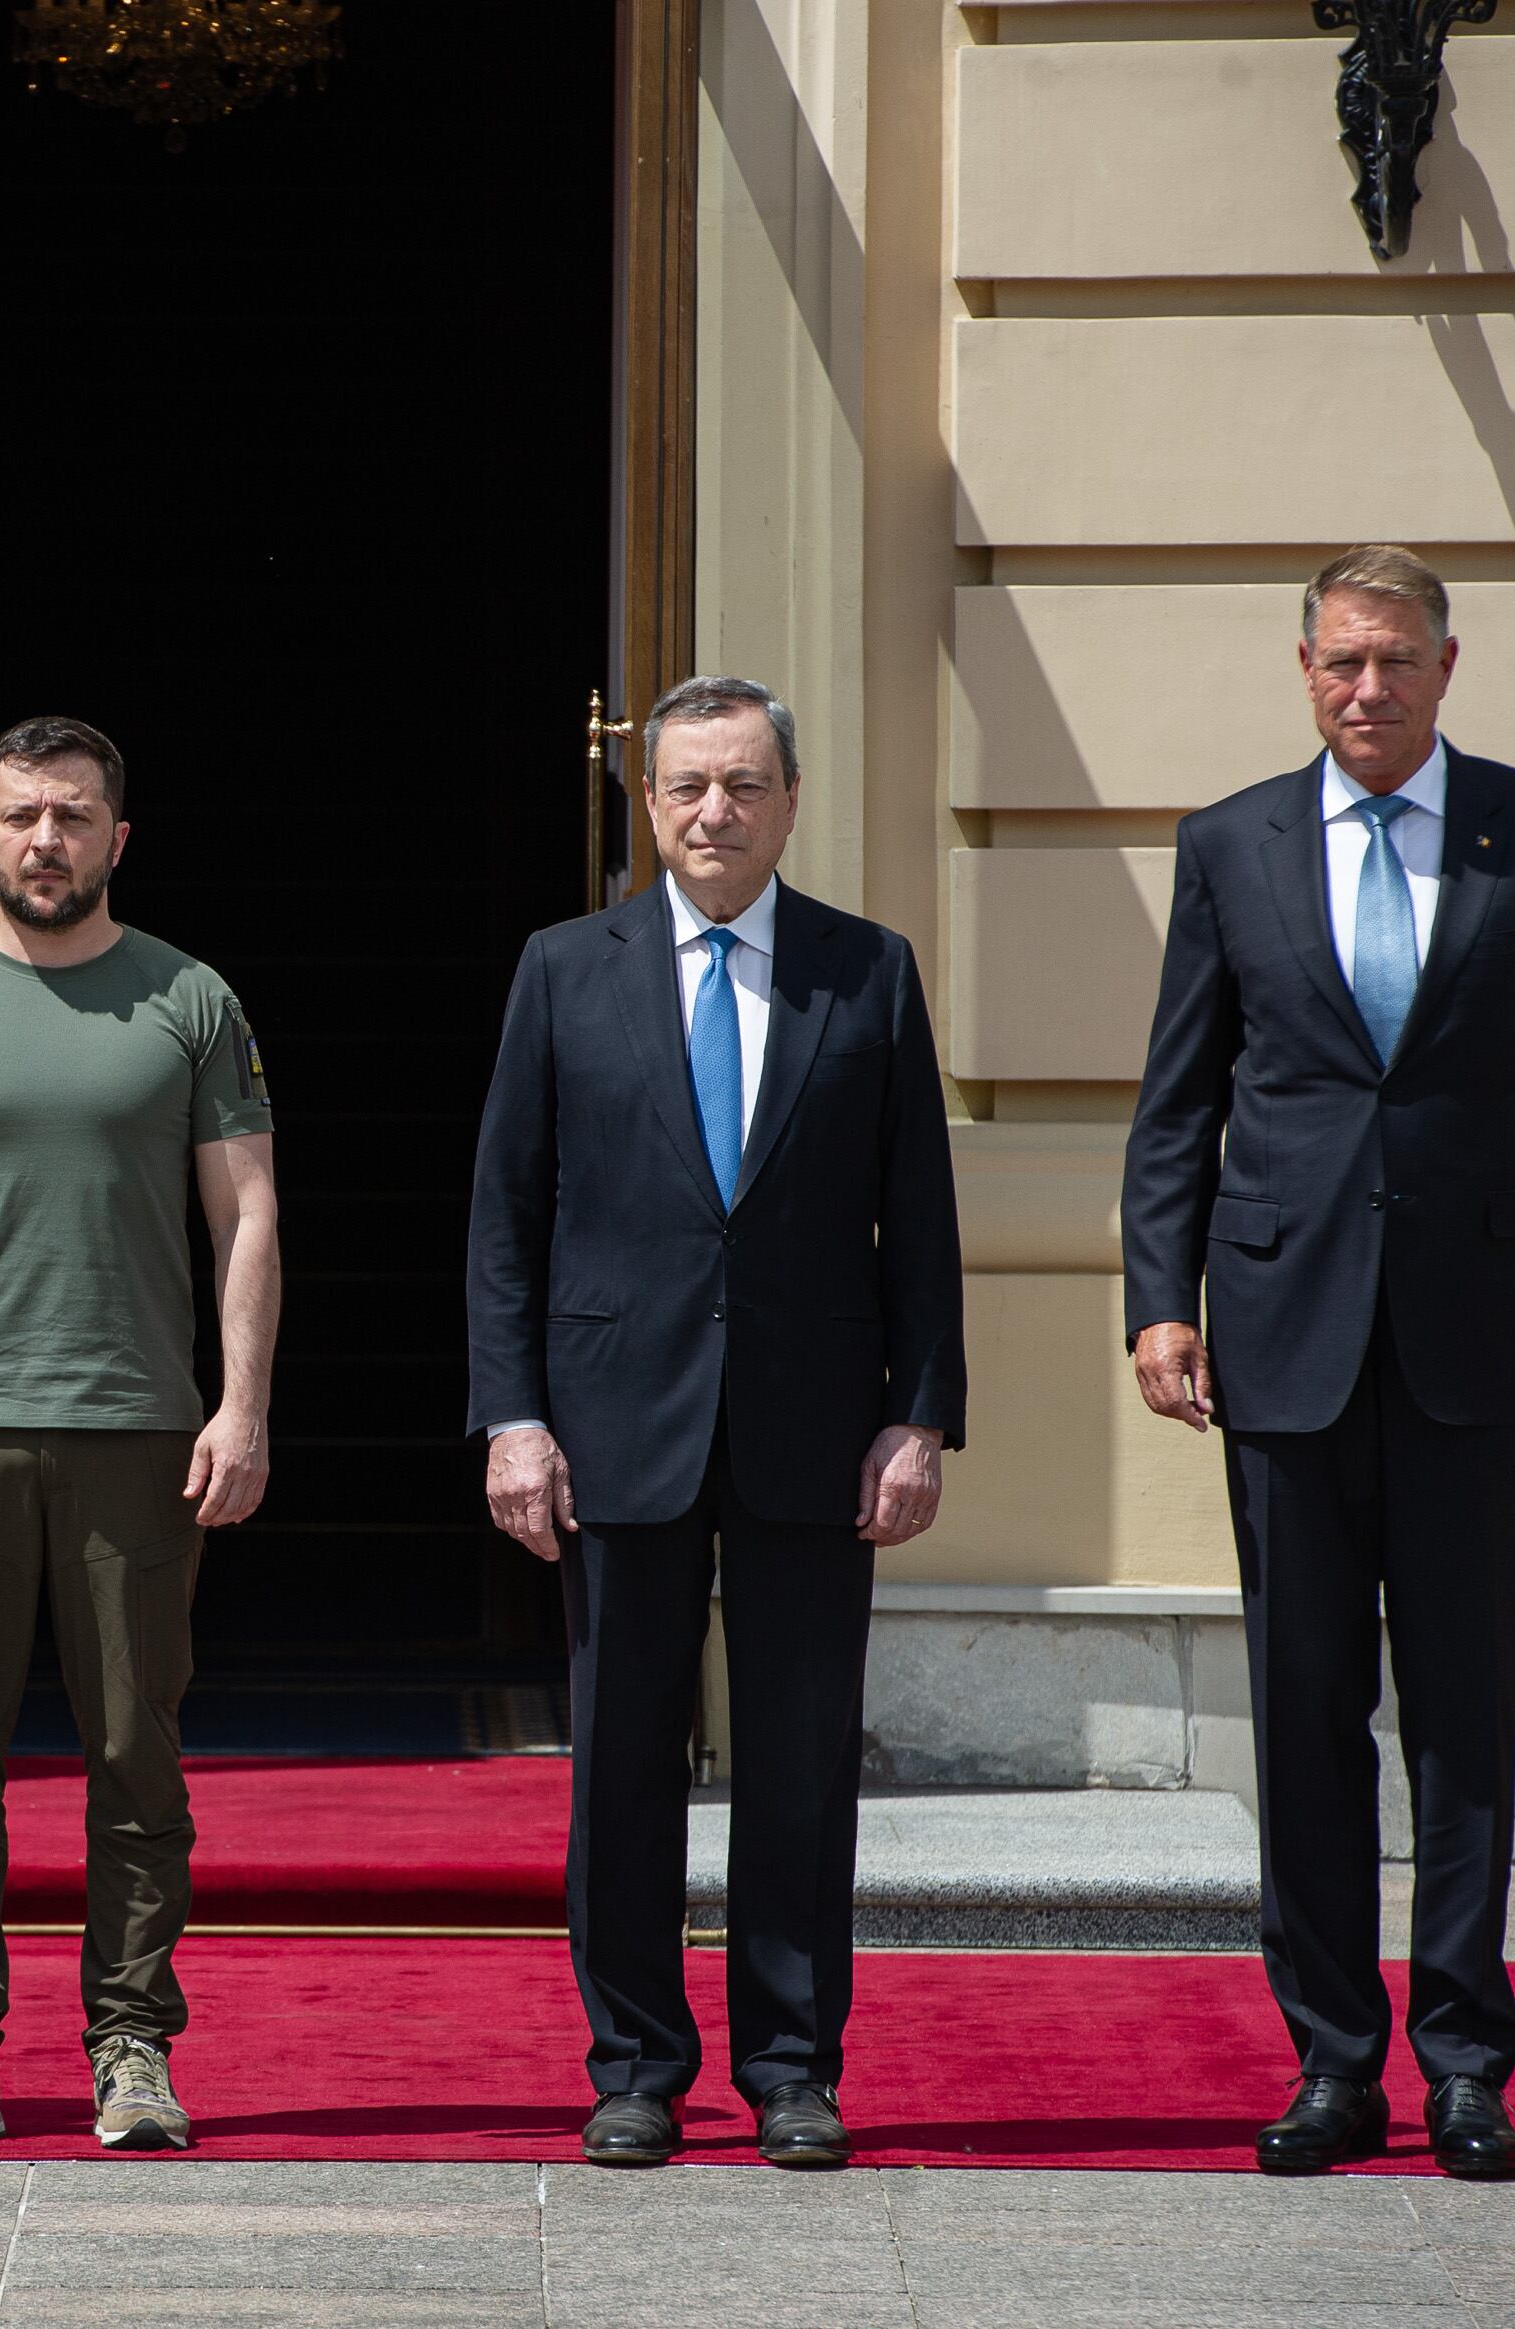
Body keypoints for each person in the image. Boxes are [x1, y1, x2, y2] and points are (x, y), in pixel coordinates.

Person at [1122, 546, 1515, 2181]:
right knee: (1304, 1712)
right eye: (1343, 660)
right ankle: (1333, 2061)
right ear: (1304, 666)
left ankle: (1469, 2066)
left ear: (1447, 664)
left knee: (1465, 1715)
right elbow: (1179, 1101)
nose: (1369, 688)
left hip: (1481, 1341)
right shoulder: (1230, 844)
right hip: (1280, 1341)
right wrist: (1160, 1296)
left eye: (1398, 661)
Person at [467, 675, 963, 2171]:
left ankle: (793, 2067)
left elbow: (920, 1223)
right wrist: (514, 1417)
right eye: (686, 786)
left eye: (743, 784)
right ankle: (633, 2065)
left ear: (789, 801)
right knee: (622, 1759)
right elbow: (507, 1218)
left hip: (817, 1430)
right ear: (651, 800)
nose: (713, 812)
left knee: (802, 1760)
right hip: (617, 1424)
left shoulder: (865, 972)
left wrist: (919, 1417)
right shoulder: (565, 968)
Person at [0, 715, 279, 2155]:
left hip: (136, 1427)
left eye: (74, 816)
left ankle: (131, 2044)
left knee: (138, 1748)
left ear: (117, 838)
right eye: (21, 815)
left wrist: (243, 1401)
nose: (46, 840)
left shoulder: (190, 999)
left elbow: (246, 1212)